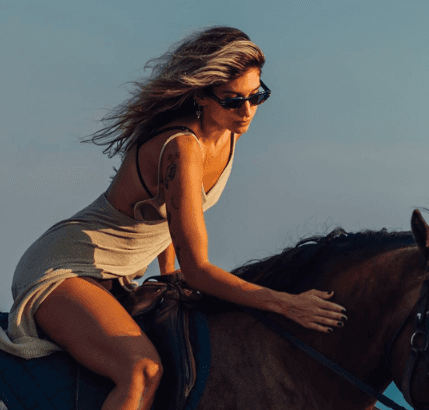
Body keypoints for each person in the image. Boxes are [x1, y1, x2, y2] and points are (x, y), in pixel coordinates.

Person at [0, 26, 347, 410]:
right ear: (201, 94)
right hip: (64, 266)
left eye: (257, 96)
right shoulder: (181, 148)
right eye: (233, 100)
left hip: (116, 274)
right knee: (141, 370)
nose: (247, 111)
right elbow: (197, 268)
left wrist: (168, 277)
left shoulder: (229, 130)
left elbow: (170, 221)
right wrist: (285, 303)